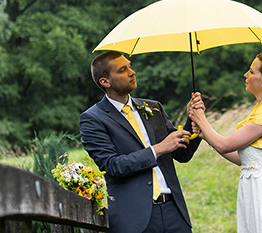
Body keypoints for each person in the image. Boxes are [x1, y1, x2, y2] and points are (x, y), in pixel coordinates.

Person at [79, 50, 204, 233]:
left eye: (130, 66)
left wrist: (193, 118)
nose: (132, 72)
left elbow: (182, 153)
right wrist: (158, 149)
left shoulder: (153, 107)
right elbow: (112, 166)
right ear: (105, 82)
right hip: (135, 221)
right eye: (122, 70)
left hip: (175, 213)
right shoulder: (92, 119)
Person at [189, 52, 262, 232]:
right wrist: (205, 135)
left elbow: (225, 144)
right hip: (256, 190)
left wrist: (201, 118)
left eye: (251, 72)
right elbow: (243, 158)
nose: (245, 75)